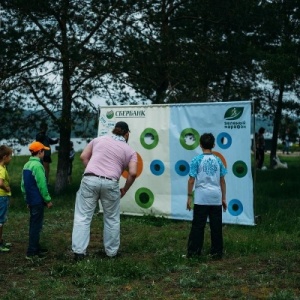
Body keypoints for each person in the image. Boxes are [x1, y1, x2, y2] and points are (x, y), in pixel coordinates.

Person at [72, 121, 138, 261]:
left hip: (90, 180)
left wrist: (93, 171)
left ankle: (79, 253)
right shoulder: (130, 151)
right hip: (111, 183)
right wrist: (125, 189)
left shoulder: (98, 140)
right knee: (112, 218)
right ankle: (111, 253)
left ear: (114, 130)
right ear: (127, 134)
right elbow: (132, 173)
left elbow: (83, 156)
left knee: (83, 216)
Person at [186, 133, 227, 259]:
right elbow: (222, 181)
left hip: (201, 198)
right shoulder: (218, 160)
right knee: (216, 226)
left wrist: (189, 197)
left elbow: (191, 180)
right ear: (214, 145)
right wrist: (224, 198)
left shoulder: (196, 160)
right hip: (215, 197)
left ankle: (194, 253)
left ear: (200, 145)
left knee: (198, 226)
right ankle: (217, 252)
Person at [21, 141, 53, 260]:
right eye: (43, 151)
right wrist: (48, 200)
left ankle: (35, 246)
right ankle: (32, 251)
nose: (44, 153)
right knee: (36, 225)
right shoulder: (38, 166)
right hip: (38, 201)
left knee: (34, 224)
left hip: (31, 200)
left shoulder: (26, 165)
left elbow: (23, 185)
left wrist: (26, 200)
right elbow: (42, 185)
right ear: (39, 152)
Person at [0, 145, 13, 252]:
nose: (11, 158)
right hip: (2, 196)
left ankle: (1, 239)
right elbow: (0, 182)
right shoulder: (1, 169)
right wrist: (7, 188)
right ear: (4, 157)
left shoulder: (2, 167)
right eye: (10, 156)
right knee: (0, 221)